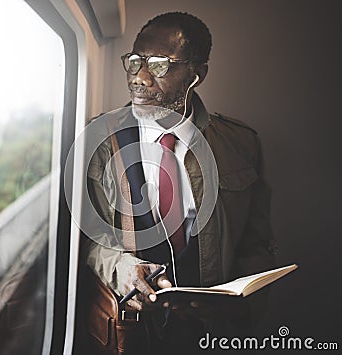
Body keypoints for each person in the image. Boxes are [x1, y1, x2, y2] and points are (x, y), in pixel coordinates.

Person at [81, 12, 277, 355]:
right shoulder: (94, 140)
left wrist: (234, 305)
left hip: (210, 337)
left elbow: (256, 245)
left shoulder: (242, 144)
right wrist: (122, 269)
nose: (139, 77)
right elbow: (85, 240)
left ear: (196, 74)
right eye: (136, 61)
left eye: (158, 65)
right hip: (124, 335)